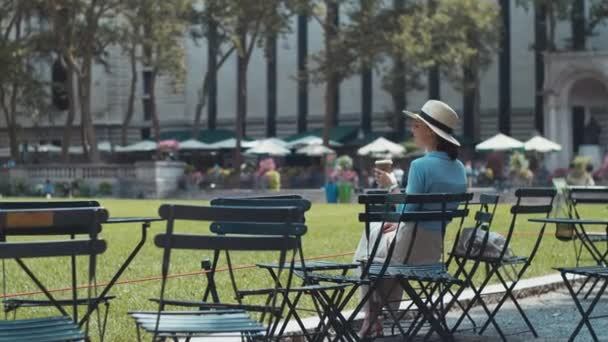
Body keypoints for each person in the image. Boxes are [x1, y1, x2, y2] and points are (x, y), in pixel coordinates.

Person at [353, 100, 467, 338]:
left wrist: (391, 186)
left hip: (408, 249)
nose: (412, 129)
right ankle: (376, 316)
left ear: (430, 132)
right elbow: (415, 211)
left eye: (416, 125)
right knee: (380, 249)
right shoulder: (459, 169)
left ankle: (371, 317)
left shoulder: (419, 166)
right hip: (434, 250)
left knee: (369, 247)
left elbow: (408, 209)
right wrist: (401, 216)